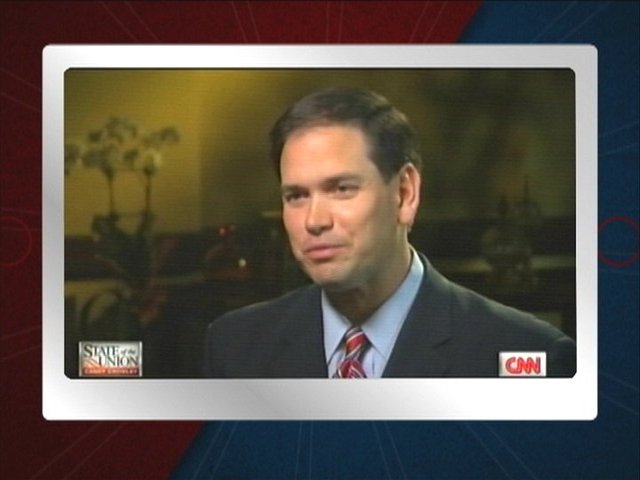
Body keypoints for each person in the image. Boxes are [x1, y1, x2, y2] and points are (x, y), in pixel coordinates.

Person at [204, 87, 576, 378]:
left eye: (341, 189)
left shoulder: (524, 352)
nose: (314, 220)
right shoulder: (234, 347)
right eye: (296, 196)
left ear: (404, 193)